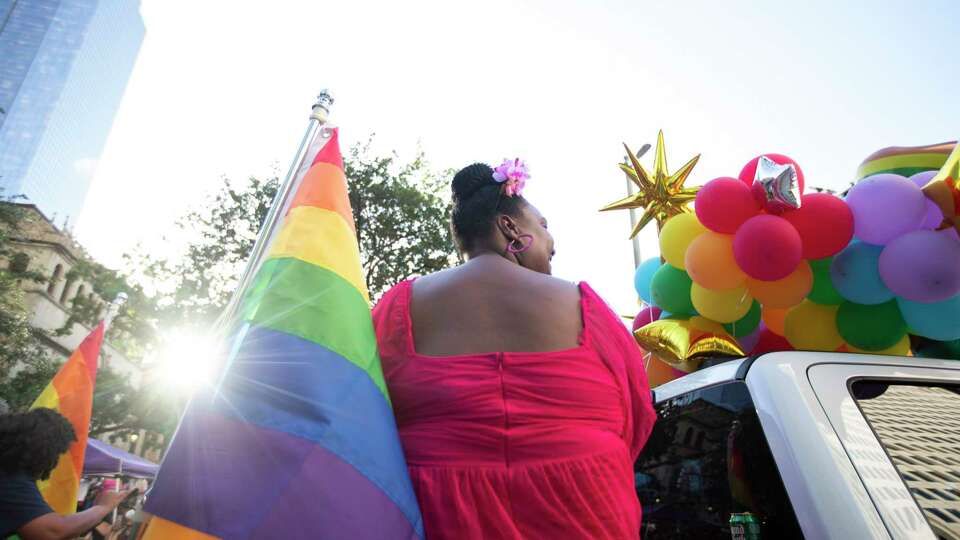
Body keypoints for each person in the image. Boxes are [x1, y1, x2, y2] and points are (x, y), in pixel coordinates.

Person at [372, 160, 657, 539]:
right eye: (543, 225)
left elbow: (363, 414)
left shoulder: (398, 308)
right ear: (509, 227)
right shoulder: (586, 307)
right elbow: (635, 415)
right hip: (586, 510)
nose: (552, 241)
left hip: (442, 515)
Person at [0, 408, 132, 540]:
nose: (54, 462)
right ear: (43, 448)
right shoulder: (12, 476)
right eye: (56, 453)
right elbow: (52, 531)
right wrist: (103, 507)